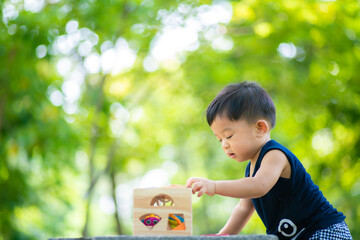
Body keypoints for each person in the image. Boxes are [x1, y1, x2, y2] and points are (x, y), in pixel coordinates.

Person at [186, 81, 352, 239]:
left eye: (228, 136)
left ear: (260, 128)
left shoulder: (274, 154)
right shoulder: (251, 170)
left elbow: (259, 186)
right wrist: (221, 236)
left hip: (323, 230)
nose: (224, 145)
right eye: (220, 139)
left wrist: (214, 186)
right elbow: (243, 209)